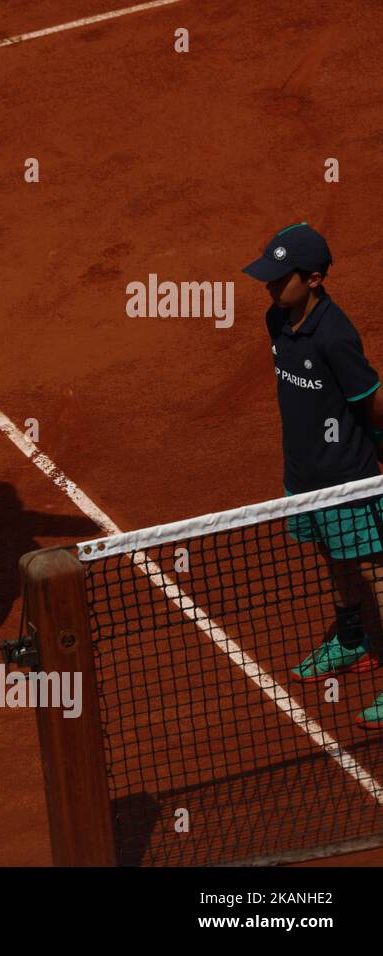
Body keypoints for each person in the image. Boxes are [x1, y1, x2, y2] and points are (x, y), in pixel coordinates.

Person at [242, 223, 383, 727]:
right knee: (333, 558)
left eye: (281, 279)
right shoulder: (276, 321)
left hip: (347, 477)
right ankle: (351, 639)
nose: (271, 286)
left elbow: (370, 399)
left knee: (373, 570)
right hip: (303, 476)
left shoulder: (335, 334)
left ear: (316, 279)